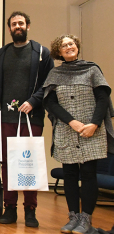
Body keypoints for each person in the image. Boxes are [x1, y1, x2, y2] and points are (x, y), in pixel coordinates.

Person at [43, 34, 114, 234]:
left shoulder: (92, 69)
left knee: (89, 174)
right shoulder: (55, 74)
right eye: (64, 45)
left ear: (77, 46)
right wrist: (72, 122)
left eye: (71, 44)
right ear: (59, 51)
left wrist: (94, 124)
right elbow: (50, 102)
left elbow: (103, 98)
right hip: (67, 130)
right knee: (70, 174)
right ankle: (73, 216)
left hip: (92, 131)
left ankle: (86, 219)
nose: (68, 47)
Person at [0, 11, 54, 227]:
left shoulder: (41, 53)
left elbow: (48, 84)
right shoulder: (1, 54)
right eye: (13, 24)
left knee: (29, 161)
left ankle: (30, 210)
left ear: (28, 25)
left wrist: (34, 101)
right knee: (7, 164)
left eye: (21, 23)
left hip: (31, 117)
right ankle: (10, 208)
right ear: (9, 28)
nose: (17, 26)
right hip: (6, 117)